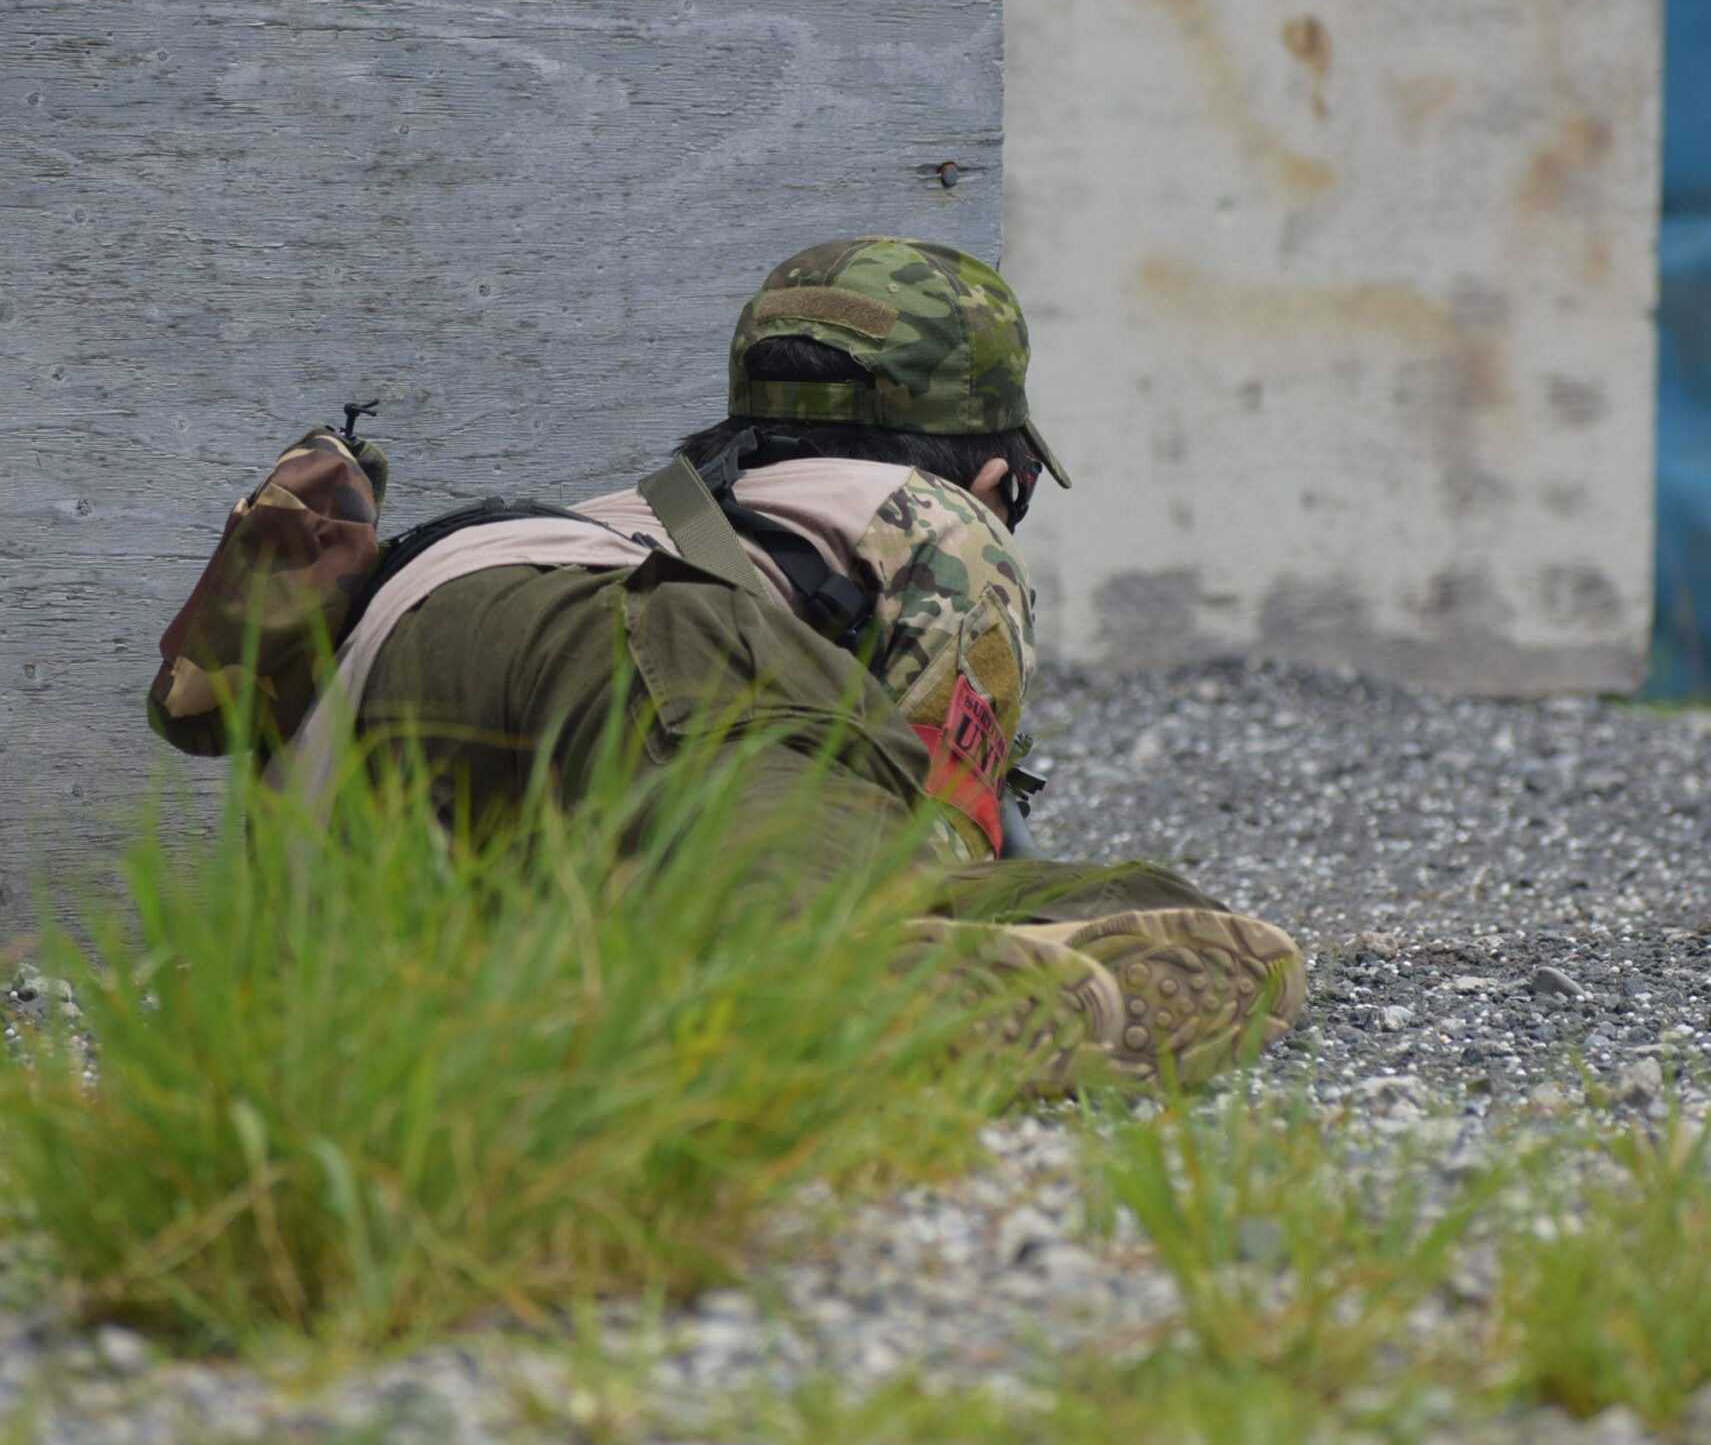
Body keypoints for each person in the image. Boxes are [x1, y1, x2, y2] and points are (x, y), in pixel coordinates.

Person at [278, 237, 1306, 1086]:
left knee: (662, 893)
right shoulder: (934, 521)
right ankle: (843, 988)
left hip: (400, 666)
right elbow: (927, 841)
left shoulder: (665, 505)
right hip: (614, 641)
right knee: (893, 883)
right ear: (1000, 474)